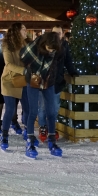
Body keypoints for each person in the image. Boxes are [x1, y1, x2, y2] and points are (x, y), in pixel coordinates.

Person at [20, 31, 63, 159]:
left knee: (51, 112)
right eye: (49, 48)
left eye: (53, 49)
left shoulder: (57, 51)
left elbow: (56, 66)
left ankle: (52, 141)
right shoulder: (34, 47)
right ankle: (30, 141)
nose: (51, 51)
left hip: (48, 82)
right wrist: (32, 71)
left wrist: (53, 79)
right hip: (33, 80)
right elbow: (23, 57)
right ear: (44, 44)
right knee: (33, 111)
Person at [37, 27, 78, 147]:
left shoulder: (64, 46)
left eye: (59, 33)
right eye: (55, 33)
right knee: (43, 107)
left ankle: (51, 127)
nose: (57, 35)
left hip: (57, 81)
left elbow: (68, 61)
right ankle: (43, 127)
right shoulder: (44, 45)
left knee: (54, 107)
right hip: (44, 81)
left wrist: (72, 72)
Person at [0, 23, 29, 151]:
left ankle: (28, 132)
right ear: (17, 31)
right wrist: (24, 70)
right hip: (10, 81)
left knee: (28, 108)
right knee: (10, 109)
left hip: (23, 80)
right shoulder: (7, 46)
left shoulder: (26, 44)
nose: (26, 31)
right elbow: (9, 64)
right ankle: (4, 135)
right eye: (23, 29)